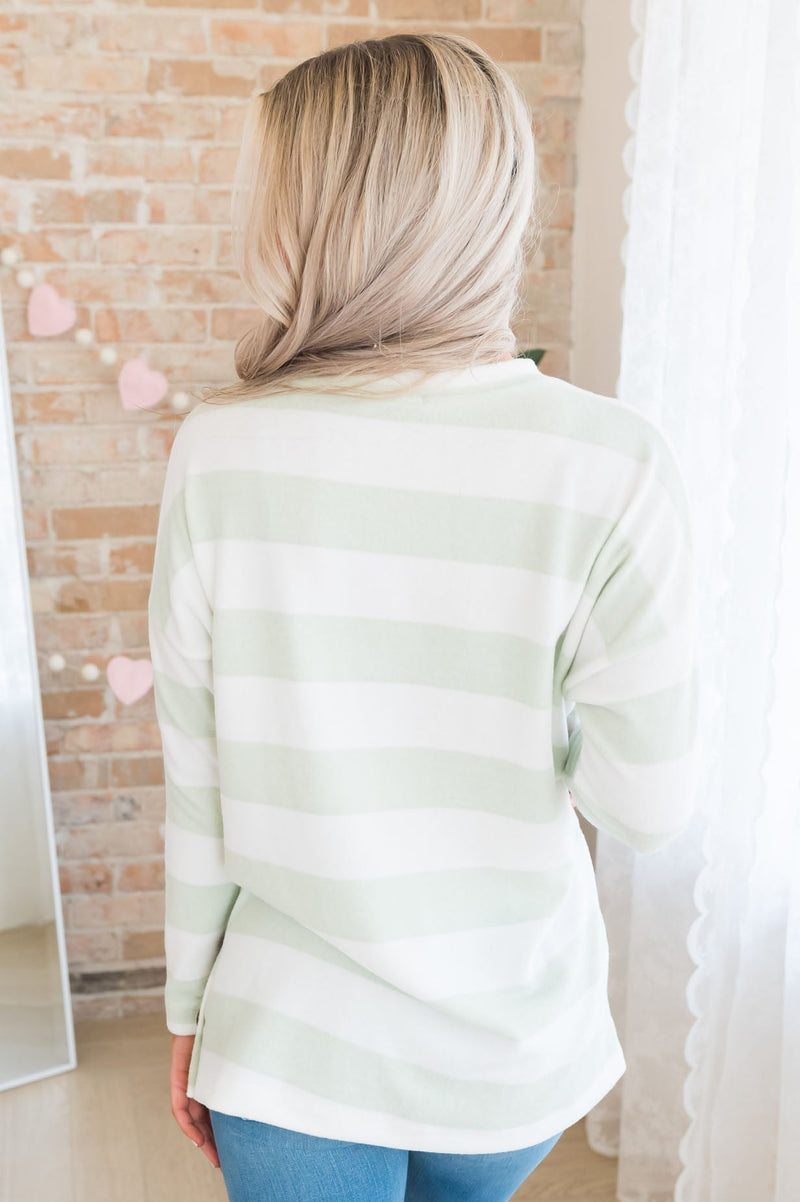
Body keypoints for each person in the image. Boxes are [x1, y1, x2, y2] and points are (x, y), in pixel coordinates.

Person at [148, 31, 699, 1202]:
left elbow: (199, 785)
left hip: (292, 1043)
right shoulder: (610, 462)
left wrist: (187, 1008)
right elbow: (644, 805)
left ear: (313, 220)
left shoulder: (220, 449)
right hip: (508, 1050)